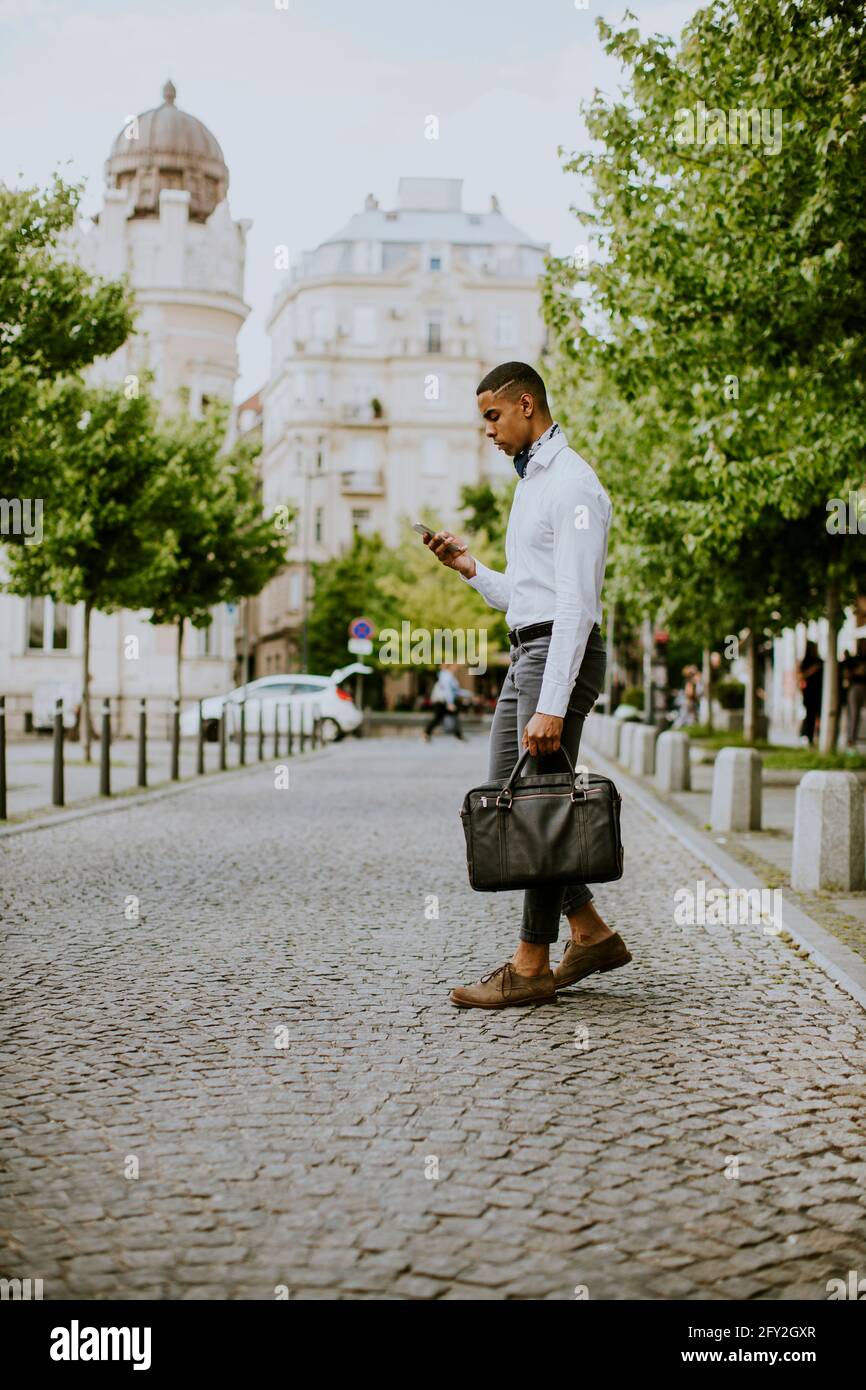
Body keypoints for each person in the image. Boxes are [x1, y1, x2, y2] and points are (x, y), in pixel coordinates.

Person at [423, 361, 632, 1009]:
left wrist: (550, 703)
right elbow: (528, 595)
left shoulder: (572, 485)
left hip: (555, 659)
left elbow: (574, 605)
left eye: (492, 416)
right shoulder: (534, 483)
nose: (487, 430)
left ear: (526, 404)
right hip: (529, 651)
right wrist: (469, 569)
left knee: (535, 804)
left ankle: (531, 964)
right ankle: (590, 933)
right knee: (509, 800)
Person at [424, 664, 465, 742]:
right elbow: (447, 690)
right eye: (454, 666)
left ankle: (427, 733)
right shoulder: (446, 675)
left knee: (442, 718)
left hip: (442, 701)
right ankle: (426, 733)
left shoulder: (447, 676)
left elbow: (456, 691)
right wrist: (450, 703)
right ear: (450, 666)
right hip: (442, 701)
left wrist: (469, 694)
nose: (456, 668)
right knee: (440, 718)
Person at [798, 640, 823, 746]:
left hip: (818, 692)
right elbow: (800, 676)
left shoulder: (819, 661)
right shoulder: (806, 662)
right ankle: (809, 736)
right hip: (809, 692)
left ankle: (817, 736)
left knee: (817, 715)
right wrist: (812, 670)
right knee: (810, 715)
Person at [842, 639, 866, 750]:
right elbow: (846, 674)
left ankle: (853, 738)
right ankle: (851, 738)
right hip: (856, 687)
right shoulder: (854, 660)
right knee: (854, 713)